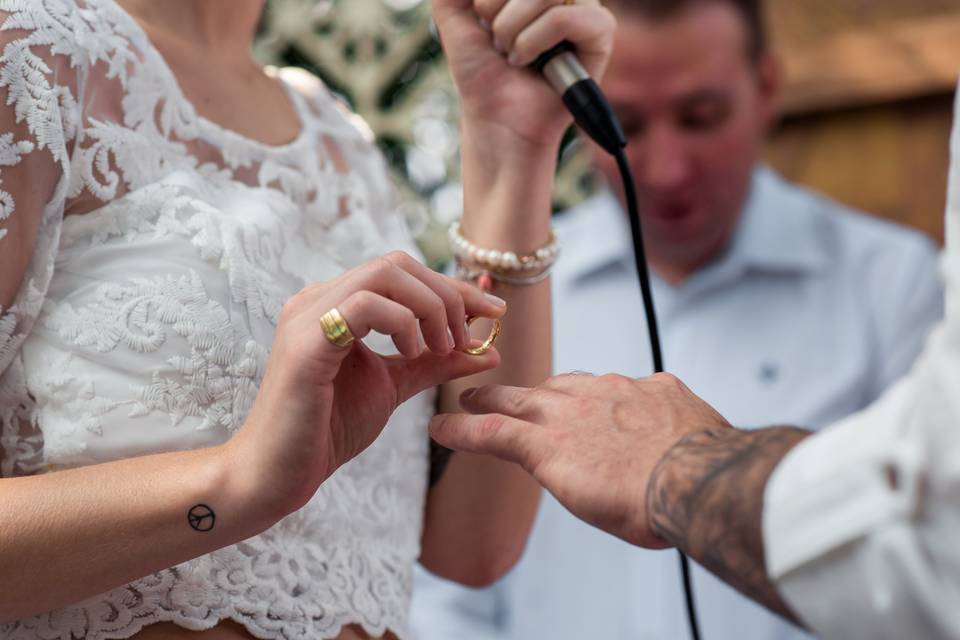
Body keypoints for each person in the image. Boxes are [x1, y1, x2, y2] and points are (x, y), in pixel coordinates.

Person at [0, 1, 616, 639]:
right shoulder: (28, 58)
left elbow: (472, 546)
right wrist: (237, 483)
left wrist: (508, 149)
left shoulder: (338, 137)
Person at [411, 0, 943, 638]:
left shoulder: (895, 284)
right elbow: (446, 592)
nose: (664, 170)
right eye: (624, 121)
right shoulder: (509, 295)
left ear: (766, 89)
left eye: (701, 117)